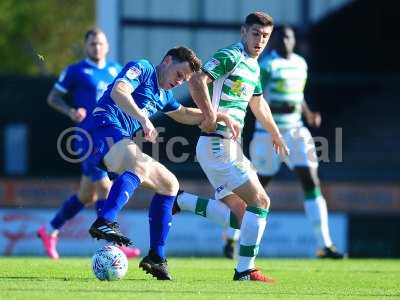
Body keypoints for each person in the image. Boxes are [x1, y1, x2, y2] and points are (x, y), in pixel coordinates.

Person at [86, 46, 239, 280]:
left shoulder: (164, 95)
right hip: (100, 128)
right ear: (167, 61)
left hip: (116, 138)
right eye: (179, 75)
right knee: (138, 164)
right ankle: (105, 220)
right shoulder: (144, 68)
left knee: (170, 185)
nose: (180, 83)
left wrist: (217, 115)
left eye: (185, 80)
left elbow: (184, 114)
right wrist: (143, 118)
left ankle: (156, 257)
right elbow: (119, 91)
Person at [175, 12, 289, 282]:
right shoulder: (232, 55)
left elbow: (258, 103)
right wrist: (211, 115)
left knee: (242, 217)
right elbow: (196, 80)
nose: (259, 41)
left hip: (226, 146)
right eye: (255, 34)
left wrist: (276, 133)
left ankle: (181, 201)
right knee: (261, 201)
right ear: (243, 32)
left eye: (265, 36)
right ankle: (245, 269)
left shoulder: (254, 66)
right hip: (218, 143)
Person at [37, 28, 140, 259]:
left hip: (109, 136)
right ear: (86, 46)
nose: (97, 47)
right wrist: (71, 110)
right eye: (92, 44)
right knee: (105, 186)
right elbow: (53, 97)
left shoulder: (116, 69)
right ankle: (113, 245)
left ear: (107, 46)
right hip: (87, 138)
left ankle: (49, 230)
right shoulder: (75, 71)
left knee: (87, 195)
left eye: (100, 43)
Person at [246, 25, 343, 259]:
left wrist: (308, 114)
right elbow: (254, 97)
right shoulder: (268, 64)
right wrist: (281, 108)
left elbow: (298, 95)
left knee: (311, 180)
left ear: (294, 40)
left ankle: (325, 245)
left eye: (287, 37)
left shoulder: (301, 63)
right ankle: (233, 237)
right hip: (267, 133)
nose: (283, 41)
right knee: (256, 188)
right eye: (278, 38)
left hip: (296, 131)